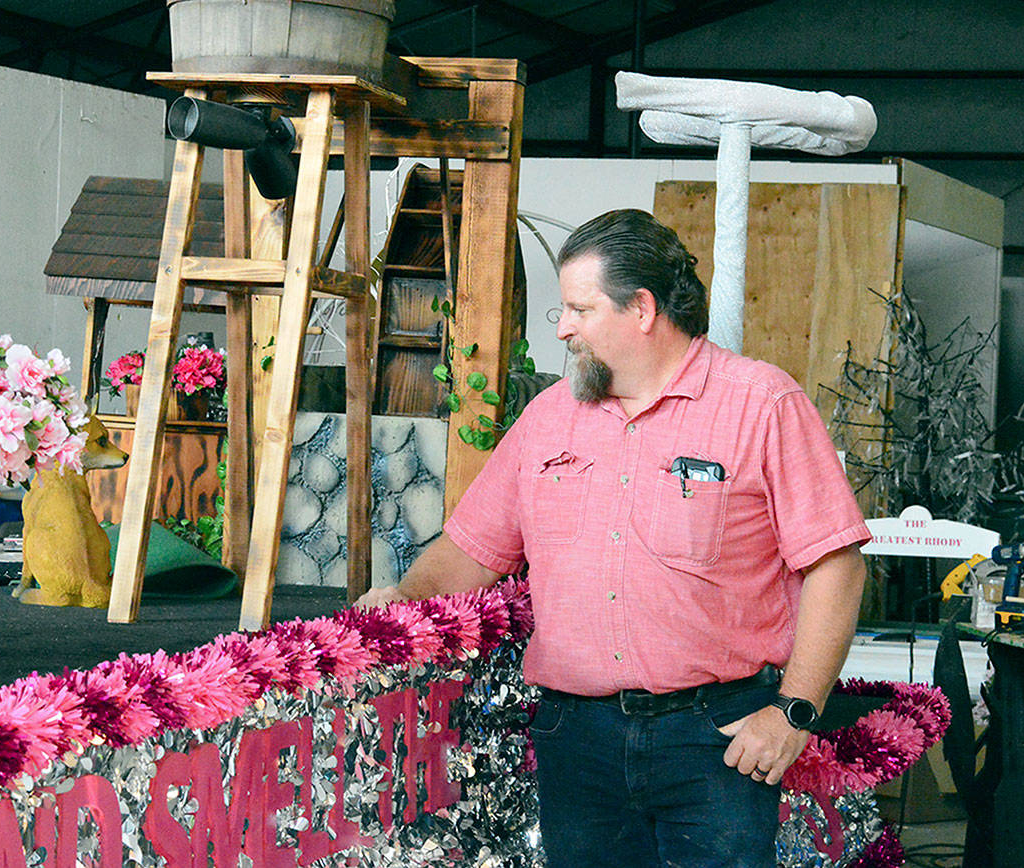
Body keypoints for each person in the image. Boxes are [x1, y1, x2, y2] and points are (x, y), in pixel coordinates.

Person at [356, 209, 869, 867]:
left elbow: (837, 564)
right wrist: (398, 600)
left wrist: (794, 710)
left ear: (643, 309)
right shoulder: (548, 420)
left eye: (580, 309)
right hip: (578, 738)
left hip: (717, 736)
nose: (564, 327)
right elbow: (472, 550)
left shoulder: (760, 404)